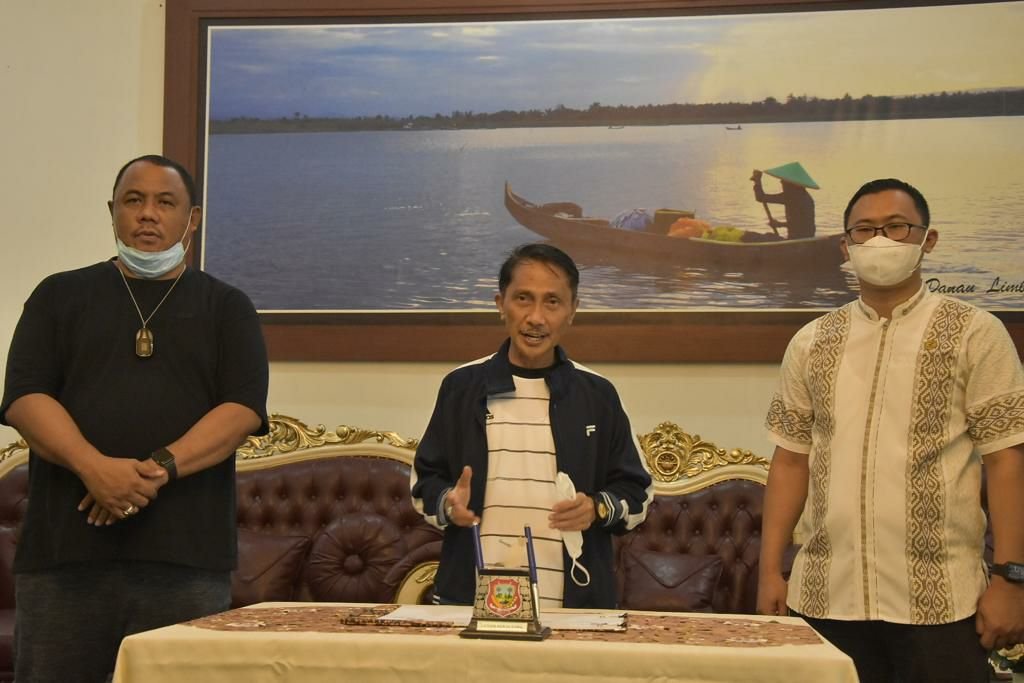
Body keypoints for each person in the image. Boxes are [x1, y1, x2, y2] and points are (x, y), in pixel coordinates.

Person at [0, 154, 270, 682]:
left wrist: (155, 470)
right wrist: (94, 468)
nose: (148, 214)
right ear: (112, 212)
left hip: (185, 559)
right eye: (133, 200)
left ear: (192, 219)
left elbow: (241, 410)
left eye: (165, 202)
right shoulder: (58, 295)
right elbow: (24, 398)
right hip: (64, 559)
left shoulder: (227, 308)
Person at [758, 178, 1024, 683]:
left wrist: (1012, 579)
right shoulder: (812, 342)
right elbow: (791, 460)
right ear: (846, 245)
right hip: (825, 597)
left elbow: (1007, 460)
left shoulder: (975, 333)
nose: (880, 240)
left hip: (941, 600)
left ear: (928, 239)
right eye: (865, 229)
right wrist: (770, 570)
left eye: (897, 227)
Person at [411, 243, 653, 609]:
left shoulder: (597, 395)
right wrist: (447, 503)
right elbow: (423, 483)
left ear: (572, 311)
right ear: (500, 304)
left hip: (574, 607)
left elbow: (638, 494)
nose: (536, 317)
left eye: (552, 302)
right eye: (523, 299)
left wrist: (597, 508)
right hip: (470, 603)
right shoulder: (461, 388)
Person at [750, 162, 818, 239]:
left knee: (764, 237)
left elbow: (761, 197)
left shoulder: (792, 196)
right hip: (806, 236)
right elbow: (799, 223)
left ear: (791, 183)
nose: (781, 182)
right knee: (769, 236)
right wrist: (779, 224)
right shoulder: (804, 195)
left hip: (798, 238)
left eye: (784, 181)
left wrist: (757, 181)